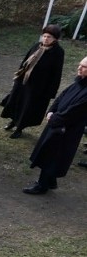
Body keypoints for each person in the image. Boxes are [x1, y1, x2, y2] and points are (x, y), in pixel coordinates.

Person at [23, 56, 87, 195]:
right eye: (79, 64)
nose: (79, 68)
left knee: (52, 155)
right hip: (57, 123)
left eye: (83, 67)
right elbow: (61, 96)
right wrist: (51, 111)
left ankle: (42, 185)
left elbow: (75, 111)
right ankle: (50, 180)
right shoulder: (79, 82)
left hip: (66, 129)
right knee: (50, 153)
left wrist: (54, 119)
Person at [1, 24, 65, 139]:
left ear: (55, 39)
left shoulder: (58, 52)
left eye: (49, 37)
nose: (45, 39)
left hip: (38, 86)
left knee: (27, 107)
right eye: (44, 36)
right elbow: (25, 61)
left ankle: (19, 128)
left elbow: (56, 73)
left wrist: (51, 91)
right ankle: (13, 121)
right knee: (17, 102)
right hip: (24, 81)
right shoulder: (37, 46)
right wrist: (18, 77)